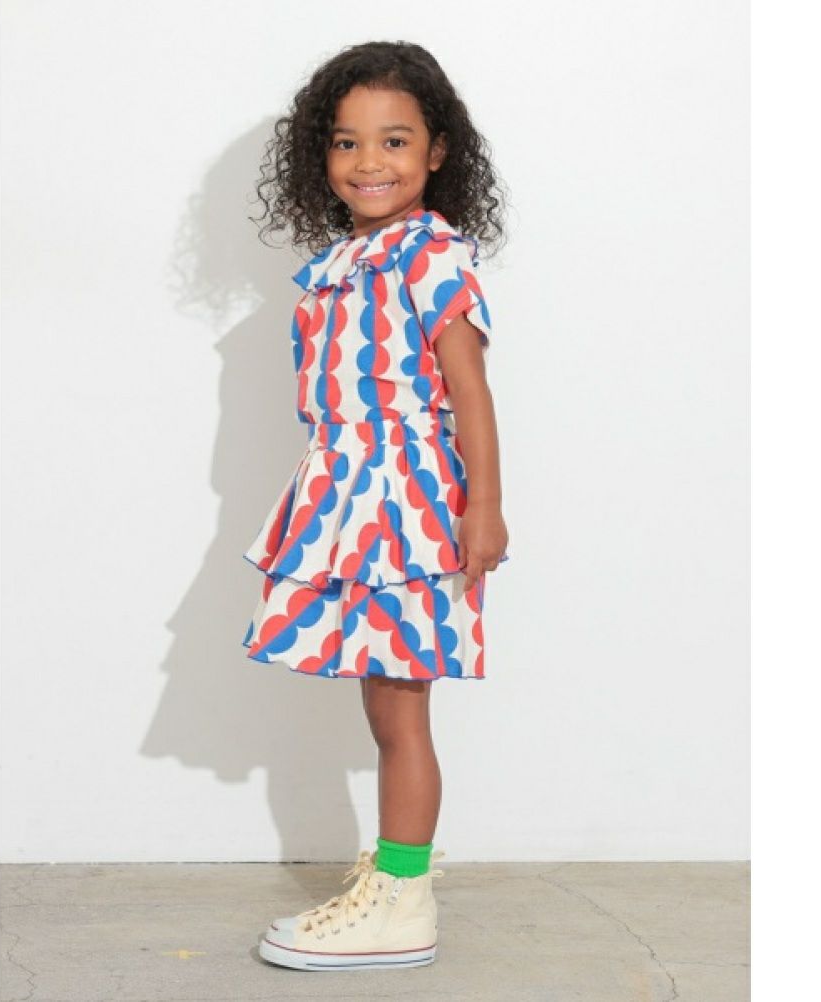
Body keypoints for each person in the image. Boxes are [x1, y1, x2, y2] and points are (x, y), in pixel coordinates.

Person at [242, 40, 511, 971]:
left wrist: (484, 509)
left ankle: (403, 903)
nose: (369, 162)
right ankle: (392, 882)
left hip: (408, 506)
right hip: (355, 498)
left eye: (394, 141)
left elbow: (470, 391)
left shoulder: (430, 256)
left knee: (402, 711)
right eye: (346, 142)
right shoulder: (349, 260)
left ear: (437, 152)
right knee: (385, 708)